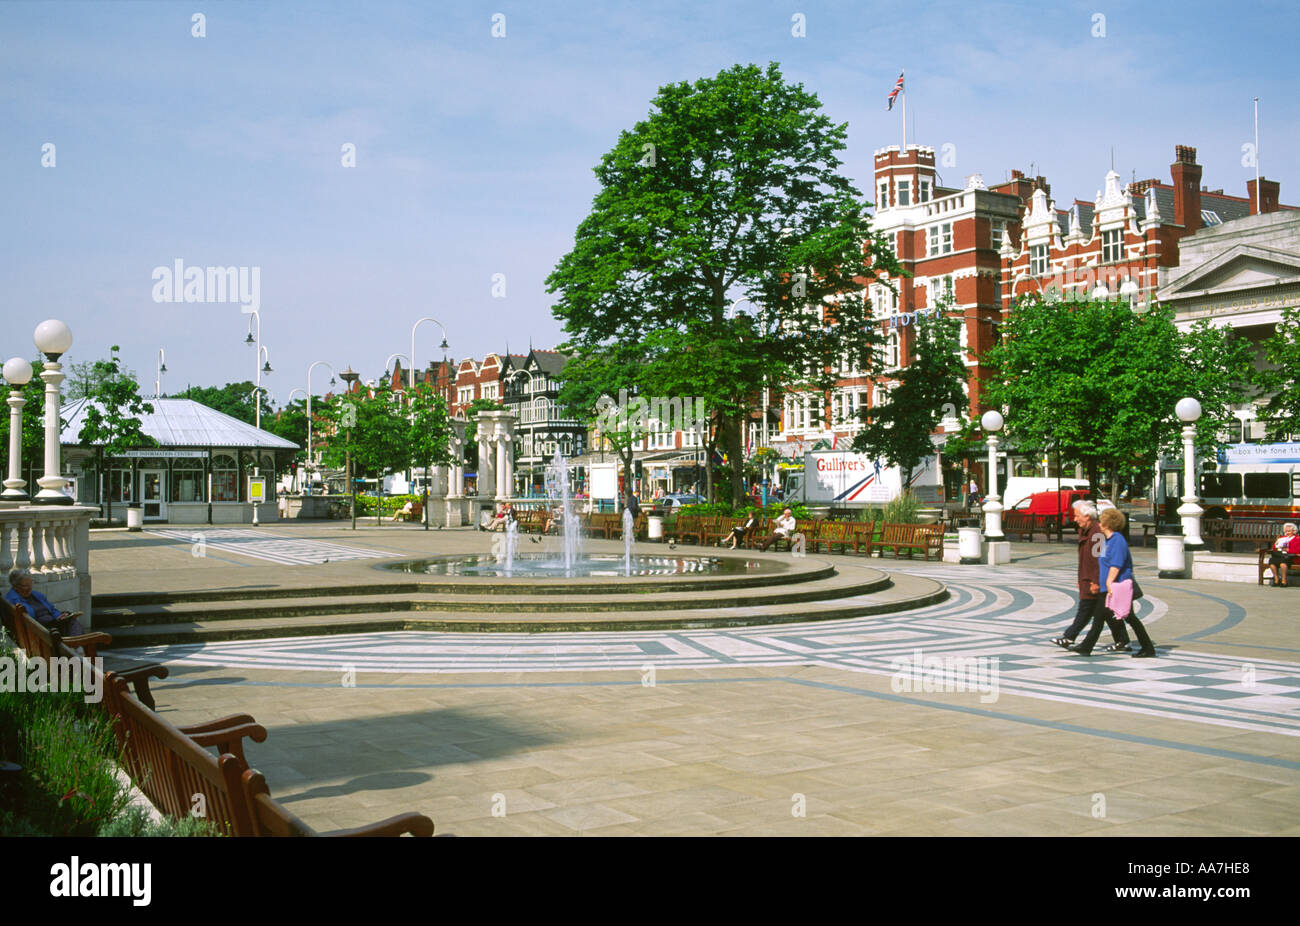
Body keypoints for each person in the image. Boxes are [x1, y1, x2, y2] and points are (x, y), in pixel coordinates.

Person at [1071, 508, 1156, 658]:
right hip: (1107, 587)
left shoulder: (1117, 540)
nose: (1100, 523)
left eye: (1102, 520)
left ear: (1108, 523)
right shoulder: (1107, 541)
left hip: (1117, 587)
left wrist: (1109, 583)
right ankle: (1086, 647)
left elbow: (1116, 564)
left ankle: (1147, 648)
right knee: (1100, 618)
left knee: (1128, 617)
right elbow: (1102, 563)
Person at [1053, 501, 1131, 652]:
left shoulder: (1096, 534)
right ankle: (1122, 640)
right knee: (1105, 612)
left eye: (1077, 516)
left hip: (1094, 580)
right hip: (1088, 578)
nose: (1075, 519)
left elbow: (1099, 561)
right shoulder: (1086, 530)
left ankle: (1070, 637)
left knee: (1088, 609)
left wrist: (1095, 581)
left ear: (1087, 516)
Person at [5, 567, 86, 637]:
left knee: (72, 621)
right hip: (42, 631)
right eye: (26, 586)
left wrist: (59, 616)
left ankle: (76, 646)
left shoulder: (37, 595)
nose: (29, 588)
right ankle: (77, 647)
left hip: (53, 625)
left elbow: (52, 610)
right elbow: (29, 622)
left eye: (30, 584)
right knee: (72, 625)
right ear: (15, 587)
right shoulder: (12, 600)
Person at [1267, 523, 1300, 588]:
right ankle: (1276, 580)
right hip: (1280, 555)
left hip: (1291, 557)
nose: (1287, 533)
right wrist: (1276, 544)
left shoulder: (1297, 539)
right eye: (1286, 531)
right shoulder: (1282, 538)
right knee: (1272, 562)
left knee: (1283, 563)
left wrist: (1288, 550)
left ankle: (1284, 581)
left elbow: (1297, 551)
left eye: (1289, 531)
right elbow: (1274, 548)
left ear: (1294, 531)